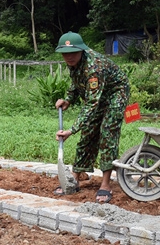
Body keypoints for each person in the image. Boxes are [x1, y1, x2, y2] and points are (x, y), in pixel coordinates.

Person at [54, 31, 130, 203]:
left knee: (107, 133)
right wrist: (68, 99)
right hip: (97, 95)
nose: (69, 57)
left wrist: (71, 130)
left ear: (82, 50)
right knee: (88, 132)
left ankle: (105, 184)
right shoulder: (73, 63)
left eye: (73, 53)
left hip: (115, 93)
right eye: (66, 54)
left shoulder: (94, 67)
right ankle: (75, 177)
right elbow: (76, 82)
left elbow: (91, 103)